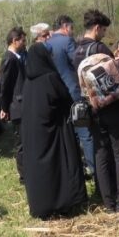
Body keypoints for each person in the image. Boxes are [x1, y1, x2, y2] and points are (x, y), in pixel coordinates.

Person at [74, 9, 119, 212]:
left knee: (101, 153)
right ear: (97, 28)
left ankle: (108, 203)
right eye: (104, 30)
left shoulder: (77, 51)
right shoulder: (99, 48)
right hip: (112, 108)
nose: (105, 34)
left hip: (92, 109)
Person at [20, 42, 87, 219]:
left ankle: (43, 206)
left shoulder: (28, 83)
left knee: (42, 171)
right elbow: (65, 98)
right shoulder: (50, 78)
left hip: (34, 135)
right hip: (55, 132)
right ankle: (64, 202)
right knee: (59, 166)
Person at [46, 15, 96, 174]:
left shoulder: (46, 44)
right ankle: (93, 169)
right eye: (72, 28)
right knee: (85, 133)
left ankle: (76, 169)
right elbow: (79, 64)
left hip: (56, 95)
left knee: (69, 134)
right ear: (66, 26)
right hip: (73, 93)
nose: (72, 32)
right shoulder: (67, 41)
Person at [0, 27, 27, 182]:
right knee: (21, 143)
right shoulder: (9, 59)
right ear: (15, 41)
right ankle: (24, 176)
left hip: (20, 105)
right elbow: (4, 86)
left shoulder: (18, 57)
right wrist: (4, 108)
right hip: (17, 106)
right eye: (23, 40)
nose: (24, 43)